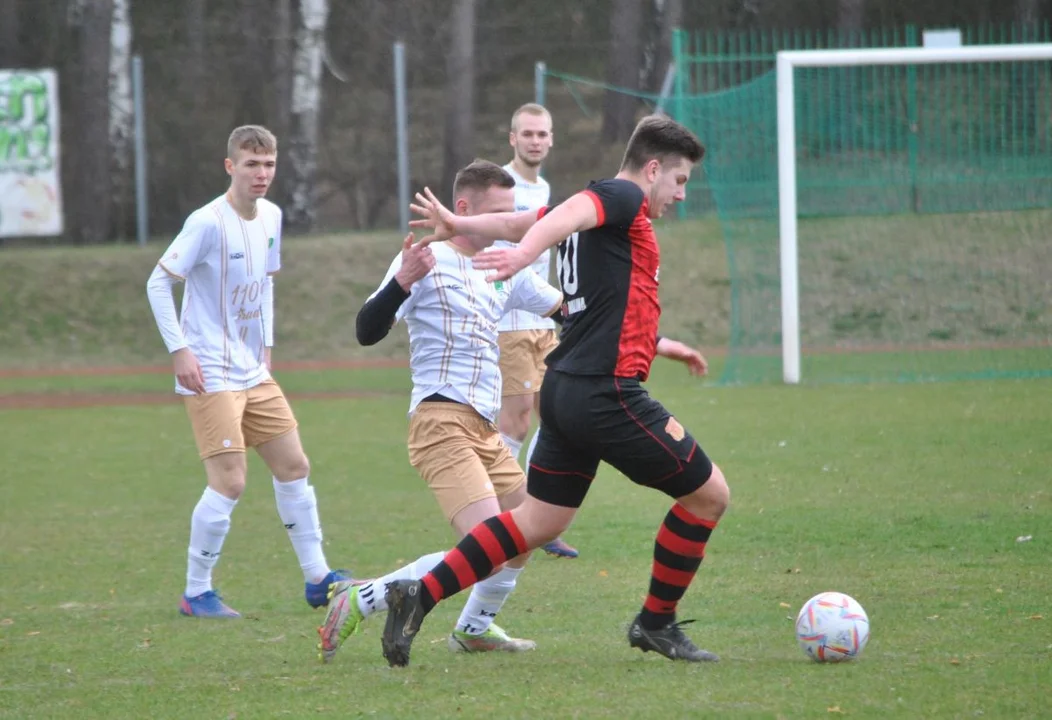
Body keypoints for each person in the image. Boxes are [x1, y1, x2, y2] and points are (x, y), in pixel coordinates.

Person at [379, 114, 727, 667]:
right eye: (680, 181)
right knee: (710, 496)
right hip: (605, 392)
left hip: (564, 387)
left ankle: (418, 595)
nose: (681, 195)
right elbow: (555, 219)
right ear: (654, 168)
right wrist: (521, 257)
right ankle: (656, 622)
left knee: (538, 524)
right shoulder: (620, 195)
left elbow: (526, 222)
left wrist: (463, 224)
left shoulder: (606, 214)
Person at [316, 160, 563, 662]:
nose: (503, 224)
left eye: (511, 214)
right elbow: (367, 329)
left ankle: (473, 628)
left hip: (485, 429)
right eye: (497, 213)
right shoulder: (426, 257)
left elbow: (563, 308)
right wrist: (401, 283)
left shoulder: (503, 264)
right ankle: (363, 598)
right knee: (486, 547)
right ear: (463, 209)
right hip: (439, 422)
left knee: (529, 532)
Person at [145, 125, 348, 618]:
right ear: (230, 166)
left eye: (269, 164)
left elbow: (265, 285)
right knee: (230, 481)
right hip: (209, 369)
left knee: (294, 465)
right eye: (251, 164)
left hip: (252, 368)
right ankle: (196, 592)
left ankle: (318, 578)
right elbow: (158, 282)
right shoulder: (207, 222)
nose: (261, 174)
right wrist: (180, 350)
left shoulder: (273, 216)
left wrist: (267, 345)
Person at [494, 103, 578, 560]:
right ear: (512, 138)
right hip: (509, 323)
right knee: (516, 420)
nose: (535, 141)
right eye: (527, 134)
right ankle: (503, 520)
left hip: (543, 321)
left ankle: (539, 519)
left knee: (557, 418)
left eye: (542, 134)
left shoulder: (544, 188)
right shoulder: (502, 187)